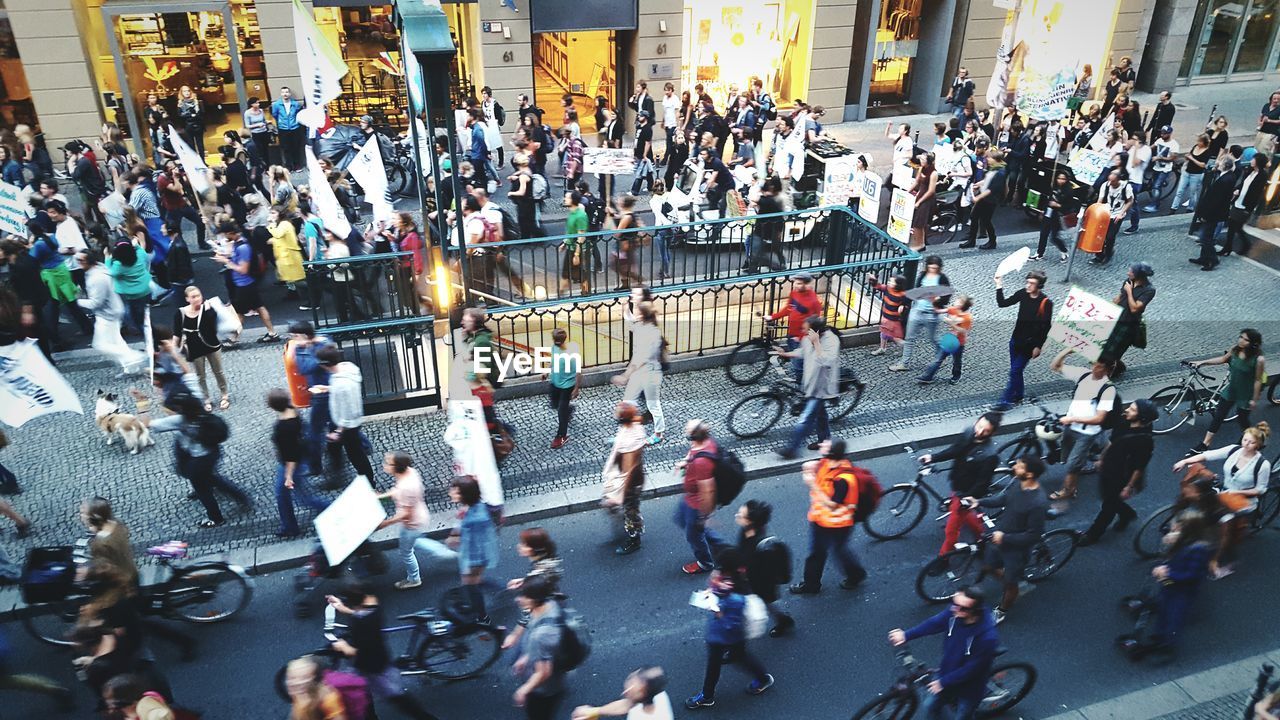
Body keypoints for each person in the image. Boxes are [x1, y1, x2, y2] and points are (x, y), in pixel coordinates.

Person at [325, 581, 442, 720]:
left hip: (374, 667)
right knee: (364, 691)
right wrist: (345, 608)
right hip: (379, 659)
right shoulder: (373, 605)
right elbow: (362, 613)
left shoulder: (360, 623)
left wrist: (344, 647)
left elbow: (362, 651)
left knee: (397, 697)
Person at [1175, 422, 1272, 577]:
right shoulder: (1234, 450)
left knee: (1224, 528)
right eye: (1245, 440)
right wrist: (1186, 461)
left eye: (1251, 442)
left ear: (1258, 445)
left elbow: (1261, 489)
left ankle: (1222, 561)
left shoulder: (1263, 465)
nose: (1246, 444)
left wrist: (1236, 492)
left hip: (1242, 501)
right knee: (1199, 497)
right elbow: (1209, 455)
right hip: (1224, 490)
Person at [887, 586, 999, 720]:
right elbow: (934, 623)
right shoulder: (956, 612)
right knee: (930, 706)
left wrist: (943, 682)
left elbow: (972, 669)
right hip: (948, 672)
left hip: (969, 687)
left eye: (962, 607)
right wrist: (906, 635)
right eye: (954, 603)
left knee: (963, 715)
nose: (954, 609)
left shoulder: (987, 638)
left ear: (976, 611)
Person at [143, 393, 252, 528]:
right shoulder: (202, 415)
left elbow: (145, 423)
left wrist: (141, 402)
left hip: (197, 461)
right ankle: (241, 497)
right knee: (211, 479)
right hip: (211, 453)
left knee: (203, 489)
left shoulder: (180, 420)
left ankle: (216, 518)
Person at [684, 549, 775, 710]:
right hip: (726, 636)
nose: (716, 571)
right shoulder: (727, 581)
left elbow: (731, 624)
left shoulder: (735, 598)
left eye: (720, 569)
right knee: (739, 657)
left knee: (718, 663)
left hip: (725, 636)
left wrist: (718, 611)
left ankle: (707, 695)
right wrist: (711, 593)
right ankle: (762, 678)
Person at [966, 456, 1049, 623]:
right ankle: (1014, 579)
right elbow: (1002, 499)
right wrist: (978, 502)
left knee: (1010, 585)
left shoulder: (1037, 503)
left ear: (1030, 474)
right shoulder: (1017, 483)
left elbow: (1034, 535)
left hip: (1016, 550)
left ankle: (1002, 610)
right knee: (988, 566)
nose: (1014, 467)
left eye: (1019, 466)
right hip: (999, 539)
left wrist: (1005, 537)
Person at [789, 438, 868, 594]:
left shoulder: (843, 480)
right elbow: (815, 466)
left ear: (831, 452)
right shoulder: (828, 462)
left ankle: (854, 575)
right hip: (822, 519)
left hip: (838, 523)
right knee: (823, 551)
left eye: (826, 444)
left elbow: (833, 504)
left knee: (833, 551)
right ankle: (814, 584)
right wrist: (808, 467)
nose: (822, 443)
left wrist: (813, 485)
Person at [919, 413, 1002, 555]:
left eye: (986, 431)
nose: (980, 432)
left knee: (951, 531)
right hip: (957, 484)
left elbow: (983, 483)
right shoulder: (969, 432)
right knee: (965, 515)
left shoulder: (990, 455)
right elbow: (955, 450)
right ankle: (981, 537)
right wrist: (933, 457)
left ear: (993, 432)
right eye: (980, 426)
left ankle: (943, 558)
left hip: (965, 493)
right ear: (976, 422)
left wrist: (967, 498)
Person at [1079, 400, 1157, 545]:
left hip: (1122, 476)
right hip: (1110, 467)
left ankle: (1092, 535)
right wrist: (1103, 458)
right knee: (1109, 498)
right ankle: (1127, 514)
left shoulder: (1145, 441)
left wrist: (1129, 487)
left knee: (1109, 505)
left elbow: (1139, 467)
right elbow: (1112, 441)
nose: (1127, 410)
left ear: (1142, 418)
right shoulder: (1124, 421)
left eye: (1132, 410)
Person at [376, 451, 455, 590]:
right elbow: (398, 491)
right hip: (420, 516)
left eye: (388, 463)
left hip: (412, 524)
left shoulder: (406, 487)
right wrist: (383, 496)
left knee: (406, 552)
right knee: (417, 540)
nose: (384, 465)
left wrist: (385, 524)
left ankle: (414, 579)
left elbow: (405, 514)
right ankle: (443, 552)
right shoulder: (409, 472)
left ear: (397, 467)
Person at [1047, 349, 1117, 503]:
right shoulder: (1083, 374)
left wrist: (1073, 419)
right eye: (1093, 364)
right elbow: (1055, 366)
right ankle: (1096, 459)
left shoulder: (1108, 390)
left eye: (1099, 367)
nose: (1094, 369)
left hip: (1086, 432)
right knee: (1069, 455)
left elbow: (1099, 418)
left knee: (1072, 464)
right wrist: (1067, 351)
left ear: (1108, 369)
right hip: (1071, 426)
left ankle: (1069, 490)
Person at [1187, 329, 1266, 454]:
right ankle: (1205, 444)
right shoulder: (1235, 350)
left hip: (1245, 394)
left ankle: (1255, 439)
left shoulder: (1258, 360)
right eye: (1241, 337)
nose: (1241, 340)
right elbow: (1223, 359)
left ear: (1253, 343)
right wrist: (1202, 362)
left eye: (1245, 339)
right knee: (1218, 416)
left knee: (1242, 420)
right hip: (1231, 390)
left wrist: (1254, 399)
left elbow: (1257, 380)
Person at [776, 315, 842, 458]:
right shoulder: (808, 338)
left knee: (806, 418)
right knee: (821, 415)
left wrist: (817, 343)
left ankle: (791, 449)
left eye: (806, 330)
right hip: (811, 382)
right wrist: (786, 354)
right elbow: (803, 351)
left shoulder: (831, 340)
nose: (804, 333)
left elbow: (826, 361)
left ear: (815, 331)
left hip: (821, 386)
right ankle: (825, 441)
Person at [268, 388, 329, 538]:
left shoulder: (283, 427)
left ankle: (291, 527)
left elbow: (290, 455)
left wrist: (289, 476)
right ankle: (289, 526)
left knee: (299, 497)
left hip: (290, 466)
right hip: (299, 460)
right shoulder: (292, 411)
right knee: (290, 496)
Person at [76, 249, 146, 377]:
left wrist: (77, 302)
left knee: (100, 344)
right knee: (116, 341)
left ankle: (134, 357)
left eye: (81, 260)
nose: (78, 263)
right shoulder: (99, 270)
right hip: (114, 309)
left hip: (107, 314)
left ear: (89, 262)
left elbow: (96, 303)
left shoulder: (96, 279)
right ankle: (132, 368)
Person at [313, 344, 375, 483]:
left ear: (325, 364)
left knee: (356, 455)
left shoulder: (343, 385)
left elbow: (350, 411)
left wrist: (339, 432)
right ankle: (335, 476)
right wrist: (328, 388)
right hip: (342, 423)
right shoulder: (347, 368)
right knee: (335, 448)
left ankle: (370, 484)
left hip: (347, 426)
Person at [993, 270, 1053, 411]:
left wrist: (1038, 346)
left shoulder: (1045, 303)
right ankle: (1019, 395)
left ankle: (1005, 401)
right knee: (1016, 371)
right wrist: (999, 285)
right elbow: (1002, 303)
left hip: (1029, 345)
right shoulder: (1022, 294)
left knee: (1014, 371)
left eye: (1032, 283)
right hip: (1015, 340)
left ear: (1039, 286)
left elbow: (1046, 327)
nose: (1028, 285)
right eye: (1027, 282)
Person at [211, 221, 279, 342]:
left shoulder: (242, 247)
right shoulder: (240, 243)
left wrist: (226, 262)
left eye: (224, 235)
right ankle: (272, 333)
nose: (224, 238)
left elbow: (243, 269)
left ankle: (233, 339)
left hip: (243, 284)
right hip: (247, 283)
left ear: (230, 233)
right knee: (259, 307)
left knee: (239, 313)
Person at [511, 575, 567, 720]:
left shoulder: (541, 635)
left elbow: (543, 673)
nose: (518, 599)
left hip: (545, 689)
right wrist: (527, 656)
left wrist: (523, 690)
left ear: (534, 600)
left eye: (524, 596)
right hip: (553, 666)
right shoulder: (549, 604)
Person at [675, 420, 728, 574]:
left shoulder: (702, 462)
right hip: (691, 498)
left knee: (693, 535)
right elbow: (693, 453)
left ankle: (705, 562)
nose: (685, 427)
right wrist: (685, 462)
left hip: (697, 504)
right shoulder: (704, 443)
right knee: (681, 520)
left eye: (688, 428)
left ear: (694, 436)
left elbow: (708, 491)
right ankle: (720, 545)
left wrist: (704, 515)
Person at [735, 499, 794, 636]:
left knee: (768, 604)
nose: (736, 515)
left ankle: (783, 620)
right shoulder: (745, 532)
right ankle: (783, 620)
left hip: (760, 585)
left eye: (741, 514)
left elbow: (767, 573)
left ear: (749, 521)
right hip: (749, 581)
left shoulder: (764, 548)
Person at [503, 528, 566, 652]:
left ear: (534, 549)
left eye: (524, 544)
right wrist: (525, 581)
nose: (519, 546)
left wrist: (514, 636)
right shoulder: (545, 562)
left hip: (545, 611)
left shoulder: (540, 574)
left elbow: (528, 611)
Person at [616, 299, 666, 444]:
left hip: (650, 373)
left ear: (643, 315)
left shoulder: (651, 333)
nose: (637, 315)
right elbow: (631, 321)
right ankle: (627, 430)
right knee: (628, 401)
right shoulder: (644, 326)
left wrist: (625, 376)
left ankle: (658, 434)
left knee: (653, 405)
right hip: (642, 372)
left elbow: (641, 358)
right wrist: (625, 308)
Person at [447, 476, 497, 621]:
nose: (451, 493)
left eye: (455, 491)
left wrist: (470, 567)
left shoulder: (476, 518)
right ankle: (500, 589)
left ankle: (483, 618)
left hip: (475, 558)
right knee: (474, 582)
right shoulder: (474, 507)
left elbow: (476, 545)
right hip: (474, 555)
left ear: (465, 495)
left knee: (470, 585)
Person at [174, 286, 229, 411]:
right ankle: (205, 398)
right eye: (193, 297)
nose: (197, 299)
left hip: (211, 345)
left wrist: (209, 311)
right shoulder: (181, 313)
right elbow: (176, 333)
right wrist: (174, 350)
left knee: (218, 371)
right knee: (200, 375)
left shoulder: (208, 310)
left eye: (198, 295)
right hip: (194, 348)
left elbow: (213, 327)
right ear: (187, 299)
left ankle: (224, 394)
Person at [891, 255, 949, 373]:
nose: (933, 270)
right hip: (917, 310)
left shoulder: (942, 278)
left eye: (935, 268)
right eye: (931, 267)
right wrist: (905, 304)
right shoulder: (922, 275)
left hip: (931, 313)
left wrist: (938, 301)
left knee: (932, 338)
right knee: (909, 338)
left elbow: (946, 296)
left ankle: (940, 356)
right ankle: (904, 363)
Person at [604, 401, 648, 556]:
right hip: (630, 480)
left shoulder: (630, 442)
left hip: (630, 484)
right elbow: (639, 419)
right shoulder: (634, 425)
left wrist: (619, 495)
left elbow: (628, 471)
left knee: (631, 512)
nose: (614, 413)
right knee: (625, 508)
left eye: (617, 413)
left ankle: (634, 540)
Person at [1098, 263, 1155, 380]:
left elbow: (1135, 309)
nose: (1128, 273)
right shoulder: (1128, 281)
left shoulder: (1149, 290)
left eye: (1131, 272)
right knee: (1106, 347)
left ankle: (1108, 373)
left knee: (1115, 351)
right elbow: (1118, 298)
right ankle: (1117, 366)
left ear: (1139, 275)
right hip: (1117, 318)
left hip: (1128, 324)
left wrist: (1129, 291)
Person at [765, 272, 823, 379]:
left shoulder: (813, 301)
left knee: (798, 364)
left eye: (800, 284)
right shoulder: (794, 293)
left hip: (801, 338)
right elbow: (788, 308)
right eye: (796, 283)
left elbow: (815, 323)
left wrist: (801, 337)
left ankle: (802, 385)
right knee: (795, 358)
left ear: (806, 284)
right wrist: (773, 317)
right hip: (792, 333)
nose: (796, 286)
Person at [573, 666, 673, 720]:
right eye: (630, 681)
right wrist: (594, 711)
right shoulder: (657, 695)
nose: (626, 691)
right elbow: (627, 704)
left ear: (643, 695)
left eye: (633, 691)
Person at [1190, 156, 1238, 270]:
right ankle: (1204, 257)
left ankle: (1212, 259)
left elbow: (1216, 201)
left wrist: (1205, 215)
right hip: (1215, 213)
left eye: (1220, 161)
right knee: (1206, 236)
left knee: (1205, 237)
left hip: (1213, 214)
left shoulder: (1225, 180)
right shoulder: (1226, 176)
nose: (1217, 162)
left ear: (1224, 165)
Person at [1222, 153, 1268, 257]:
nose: (1251, 161)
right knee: (1232, 226)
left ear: (1258, 162)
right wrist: (1237, 189)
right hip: (1238, 202)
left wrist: (1249, 208)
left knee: (1237, 227)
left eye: (1254, 159)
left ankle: (1245, 245)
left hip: (1245, 206)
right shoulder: (1250, 171)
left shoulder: (1262, 176)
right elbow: (1243, 183)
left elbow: (1256, 194)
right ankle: (1228, 247)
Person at [958, 150, 1005, 250]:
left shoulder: (1000, 172)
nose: (987, 159)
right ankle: (972, 240)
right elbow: (988, 180)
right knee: (974, 216)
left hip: (990, 200)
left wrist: (978, 197)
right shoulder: (994, 169)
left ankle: (992, 241)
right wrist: (979, 184)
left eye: (989, 158)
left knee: (986, 220)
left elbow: (991, 189)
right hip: (984, 198)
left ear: (995, 159)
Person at [545, 327, 582, 449]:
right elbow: (553, 360)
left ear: (562, 340)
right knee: (554, 404)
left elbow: (578, 371)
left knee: (561, 411)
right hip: (555, 382)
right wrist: (546, 371)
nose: (555, 342)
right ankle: (569, 410)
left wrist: (576, 388)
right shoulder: (554, 347)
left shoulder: (571, 353)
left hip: (567, 386)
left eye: (557, 340)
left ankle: (561, 436)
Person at [282, 656, 349, 720]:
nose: (296, 683)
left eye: (304, 678)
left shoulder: (329, 699)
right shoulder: (299, 692)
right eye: (291, 678)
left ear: (313, 678)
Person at [1091, 168, 1134, 265]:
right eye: (1109, 180)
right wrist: (1097, 211)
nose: (1110, 183)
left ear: (1119, 179)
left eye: (1113, 181)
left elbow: (1130, 201)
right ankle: (1099, 255)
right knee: (1100, 236)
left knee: (1110, 236)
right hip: (1105, 214)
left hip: (1117, 214)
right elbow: (1100, 200)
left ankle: (1108, 254)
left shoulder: (1126, 187)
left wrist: (1121, 213)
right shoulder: (1105, 185)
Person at [1035, 170, 1074, 262]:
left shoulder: (1068, 191)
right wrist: (1043, 211)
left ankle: (1064, 250)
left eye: (1063, 179)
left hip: (1057, 216)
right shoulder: (1054, 187)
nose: (1060, 181)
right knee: (1043, 234)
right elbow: (1048, 199)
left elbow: (1070, 206)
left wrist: (1058, 205)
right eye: (1059, 178)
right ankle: (1039, 253)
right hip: (1048, 213)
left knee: (1054, 237)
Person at [271, 87, 305, 171]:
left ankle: (297, 165)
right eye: (283, 92)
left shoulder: (295, 104)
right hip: (283, 129)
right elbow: (275, 114)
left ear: (290, 94)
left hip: (295, 128)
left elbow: (298, 114)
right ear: (281, 94)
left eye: (287, 92)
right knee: (286, 148)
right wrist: (281, 122)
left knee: (296, 147)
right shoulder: (276, 105)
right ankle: (289, 166)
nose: (285, 94)